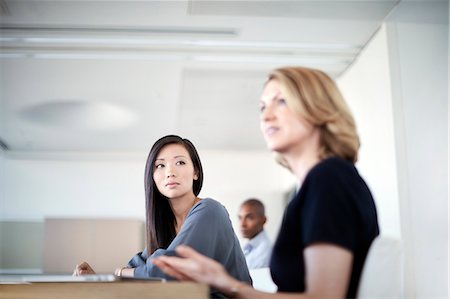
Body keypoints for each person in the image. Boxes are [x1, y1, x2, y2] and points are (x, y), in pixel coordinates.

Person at [152, 67, 380, 299]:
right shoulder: (318, 185)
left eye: (281, 102)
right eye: (262, 107)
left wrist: (230, 284)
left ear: (318, 109)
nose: (266, 116)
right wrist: (221, 280)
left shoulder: (329, 180)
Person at [73, 135, 251, 298]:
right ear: (152, 177)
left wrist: (120, 272)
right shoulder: (166, 226)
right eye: (160, 165)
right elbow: (137, 268)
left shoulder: (210, 210)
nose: (170, 172)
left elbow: (169, 272)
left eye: (180, 163)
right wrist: (100, 279)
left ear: (195, 172)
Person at [238, 198, 272, 269]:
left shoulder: (265, 251)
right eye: (240, 218)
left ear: (263, 220)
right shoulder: (249, 247)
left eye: (249, 218)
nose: (242, 224)